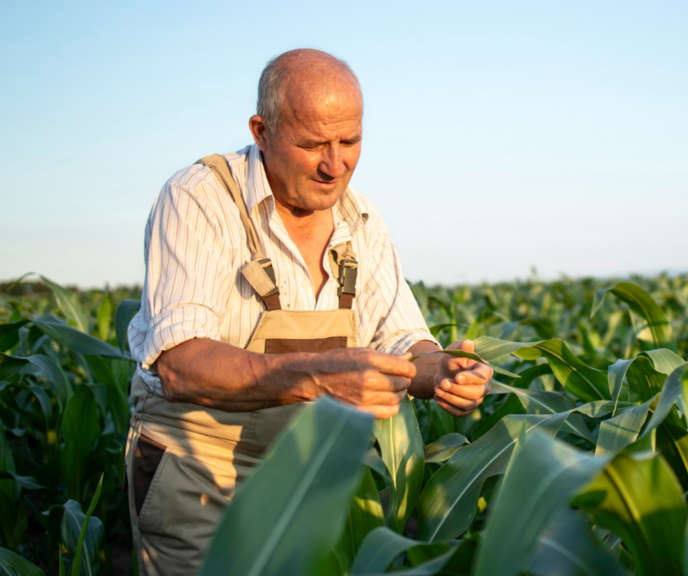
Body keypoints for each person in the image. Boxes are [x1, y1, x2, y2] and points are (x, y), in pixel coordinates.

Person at [124, 48, 492, 575]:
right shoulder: (200, 199)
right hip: (198, 470)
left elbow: (404, 341)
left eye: (350, 141)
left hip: (314, 471)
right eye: (312, 143)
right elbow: (180, 364)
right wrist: (318, 377)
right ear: (261, 130)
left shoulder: (361, 220)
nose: (334, 164)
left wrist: (445, 372)